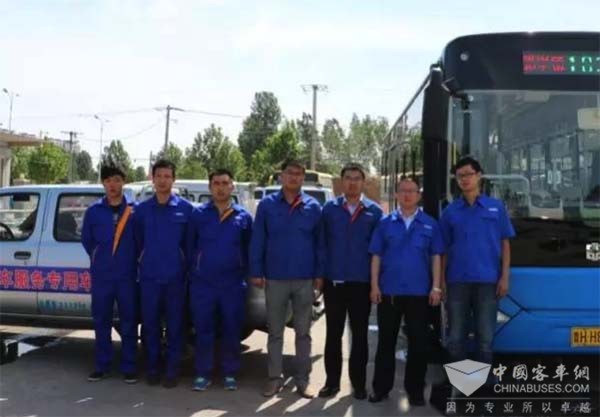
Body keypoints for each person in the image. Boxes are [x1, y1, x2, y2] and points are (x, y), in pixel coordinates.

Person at [249, 160, 324, 399]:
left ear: (303, 178)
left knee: (303, 332)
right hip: (275, 278)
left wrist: (319, 274)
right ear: (281, 176)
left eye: (299, 174)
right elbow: (258, 239)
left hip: (304, 279)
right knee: (275, 332)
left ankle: (303, 379)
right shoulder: (267, 205)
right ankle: (274, 378)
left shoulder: (313, 207)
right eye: (290, 173)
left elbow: (320, 243)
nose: (294, 177)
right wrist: (256, 270)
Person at [368, 178, 444, 406]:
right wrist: (374, 285)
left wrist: (436, 286)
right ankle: (381, 389)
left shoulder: (430, 224)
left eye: (412, 191)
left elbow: (436, 257)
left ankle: (415, 391)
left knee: (418, 344)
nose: (407, 195)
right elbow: (376, 256)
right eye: (403, 191)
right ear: (396, 195)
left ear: (419, 195)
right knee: (386, 342)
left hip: (419, 293)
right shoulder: (385, 223)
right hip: (389, 292)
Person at [439, 156, 515, 368]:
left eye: (468, 174)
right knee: (456, 336)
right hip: (457, 282)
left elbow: (505, 244)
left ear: (479, 176)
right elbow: (442, 249)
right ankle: (459, 383)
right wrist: (441, 282)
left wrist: (505, 276)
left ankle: (482, 383)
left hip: (488, 281)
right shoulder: (450, 211)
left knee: (485, 337)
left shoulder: (496, 208)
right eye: (460, 176)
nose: (464, 179)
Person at [318, 163, 383, 400]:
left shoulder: (374, 212)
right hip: (334, 282)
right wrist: (320, 276)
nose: (352, 182)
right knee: (333, 334)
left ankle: (359, 384)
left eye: (357, 178)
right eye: (348, 178)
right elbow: (322, 245)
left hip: (361, 283)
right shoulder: (329, 209)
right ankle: (331, 383)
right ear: (341, 181)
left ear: (363, 182)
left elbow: (378, 251)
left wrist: (375, 283)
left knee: (359, 336)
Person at [187, 169, 253, 392]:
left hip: (232, 284)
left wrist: (243, 273)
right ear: (210, 187)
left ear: (232, 187)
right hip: (203, 283)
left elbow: (249, 249)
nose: (221, 187)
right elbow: (189, 246)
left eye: (225, 183)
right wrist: (196, 270)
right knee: (203, 329)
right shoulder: (198, 215)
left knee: (231, 329)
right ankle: (203, 373)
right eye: (216, 183)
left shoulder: (243, 217)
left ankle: (229, 372)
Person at [134, 159, 193, 388]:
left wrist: (184, 268)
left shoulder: (185, 209)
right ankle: (153, 369)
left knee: (175, 326)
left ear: (173, 179)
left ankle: (172, 371)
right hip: (149, 278)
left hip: (175, 279)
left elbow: (189, 245)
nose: (162, 180)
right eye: (159, 176)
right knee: (150, 326)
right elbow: (137, 242)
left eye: (167, 176)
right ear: (152, 178)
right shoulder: (142, 211)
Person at [81, 164, 138, 384]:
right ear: (103, 183)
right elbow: (87, 240)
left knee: (129, 322)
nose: (112, 184)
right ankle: (102, 366)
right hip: (102, 276)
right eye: (108, 180)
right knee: (101, 321)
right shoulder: (94, 211)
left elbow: (141, 241)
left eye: (117, 179)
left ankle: (129, 367)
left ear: (124, 181)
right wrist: (100, 257)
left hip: (127, 275)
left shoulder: (134, 211)